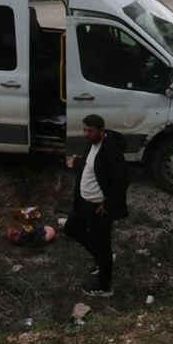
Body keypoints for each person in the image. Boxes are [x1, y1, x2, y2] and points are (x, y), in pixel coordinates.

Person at [63, 114, 128, 297]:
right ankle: (100, 258)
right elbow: (89, 165)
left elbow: (121, 180)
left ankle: (104, 286)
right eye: (84, 129)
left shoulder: (111, 151)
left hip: (99, 207)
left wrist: (107, 205)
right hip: (84, 202)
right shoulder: (92, 144)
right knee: (72, 229)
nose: (86, 134)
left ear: (101, 131)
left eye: (90, 130)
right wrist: (75, 162)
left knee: (103, 244)